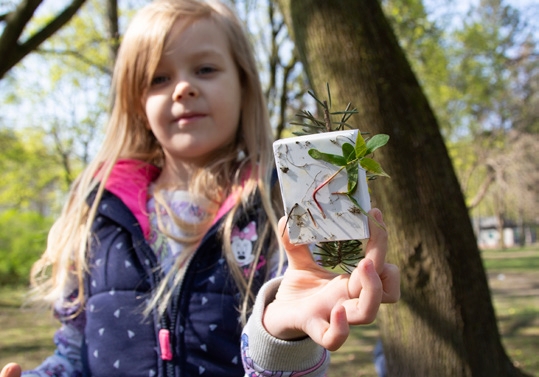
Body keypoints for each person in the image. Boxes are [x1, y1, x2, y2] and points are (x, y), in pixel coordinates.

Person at [0, 0, 400, 376]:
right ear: (137, 101)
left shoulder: (279, 209)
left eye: (205, 69)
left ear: (243, 85)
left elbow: (285, 362)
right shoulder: (96, 213)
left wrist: (283, 334)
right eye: (159, 78)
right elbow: (74, 352)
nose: (183, 88)